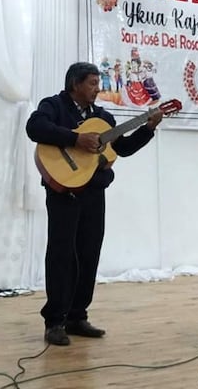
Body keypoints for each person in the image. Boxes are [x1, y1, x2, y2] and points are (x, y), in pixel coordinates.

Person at [26, 62, 163, 346]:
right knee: (62, 255)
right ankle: (55, 321)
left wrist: (148, 129)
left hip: (93, 192)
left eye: (98, 83)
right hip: (63, 192)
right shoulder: (54, 105)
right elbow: (35, 127)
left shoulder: (103, 117)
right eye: (91, 83)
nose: (97, 89)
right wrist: (76, 139)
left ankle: (77, 316)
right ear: (74, 84)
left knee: (89, 254)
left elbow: (122, 148)